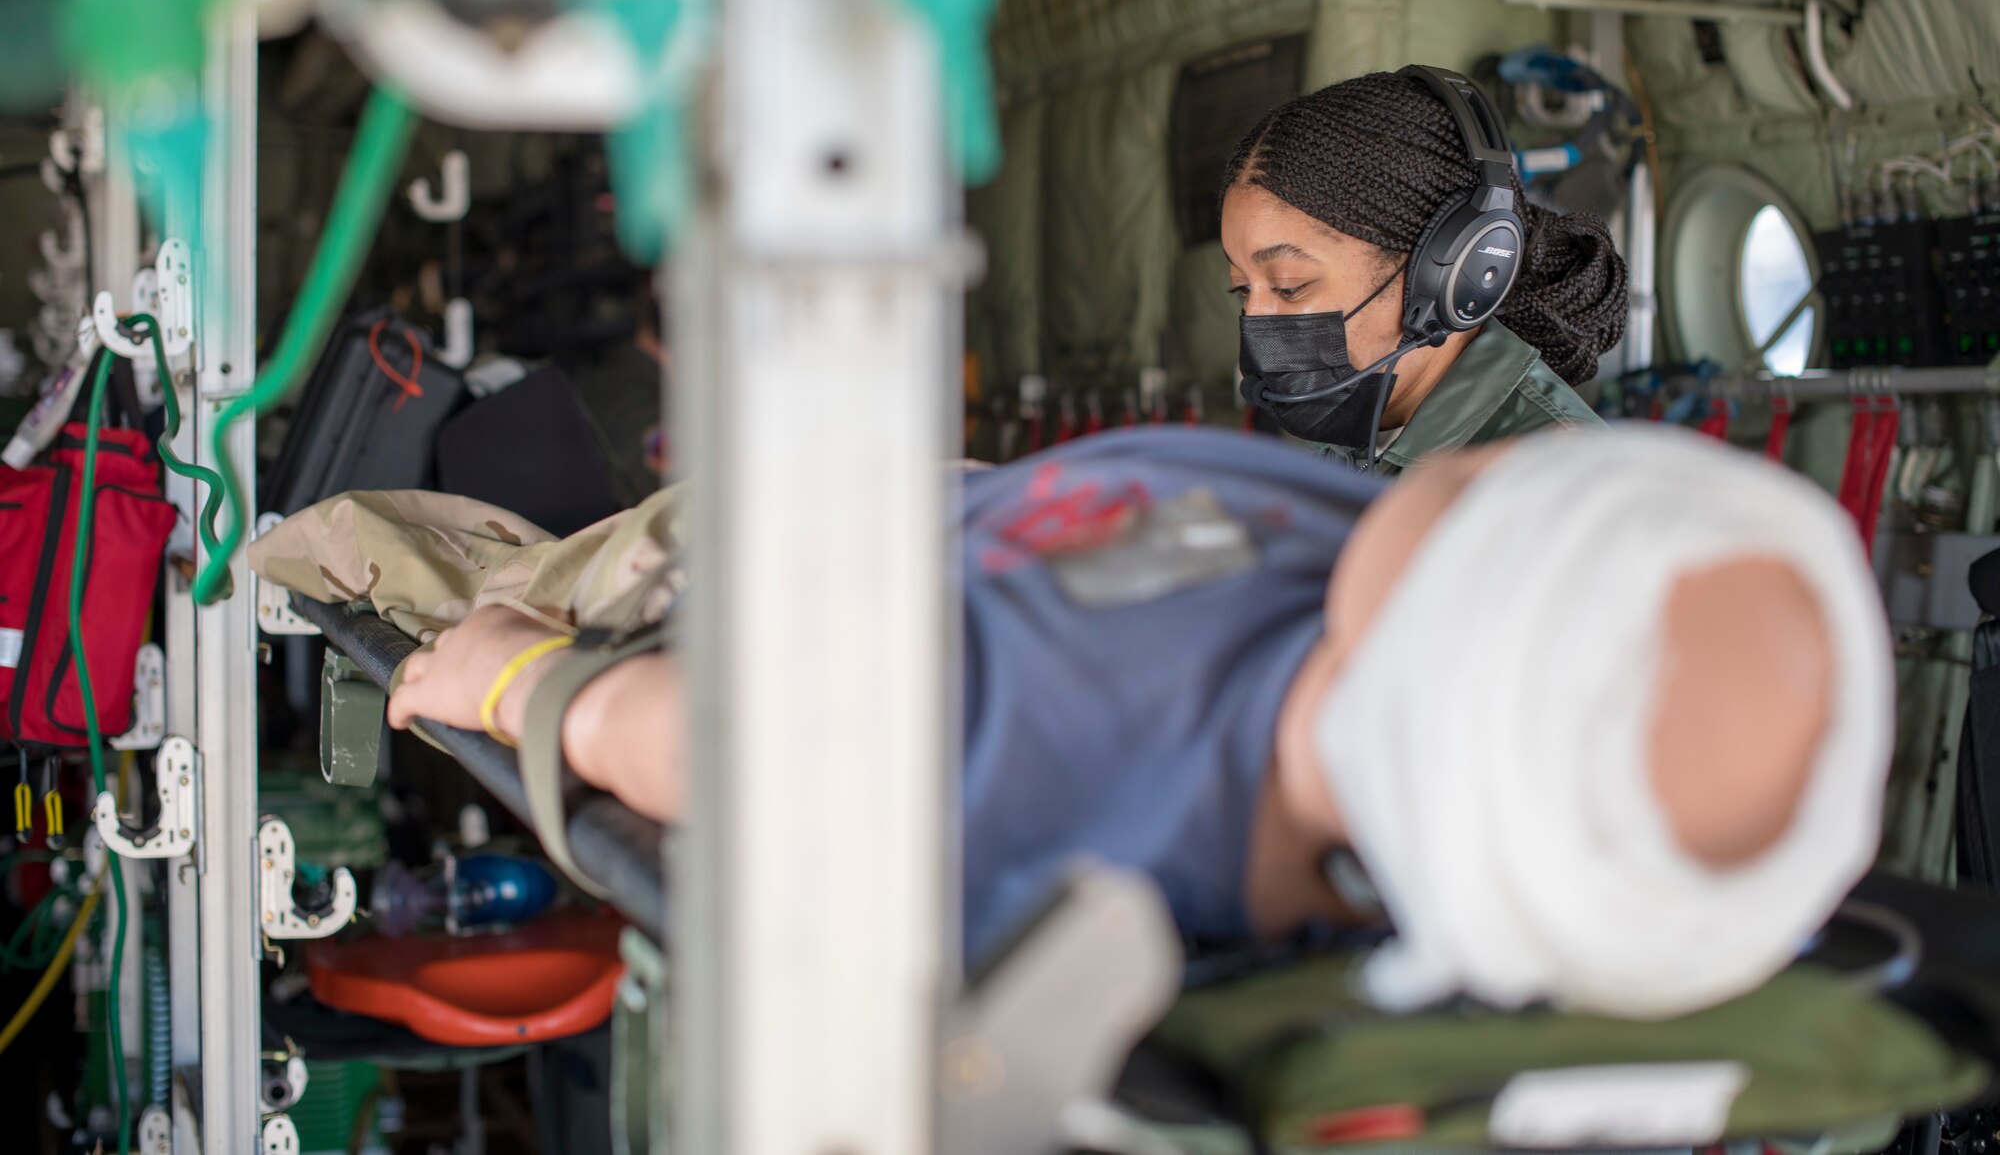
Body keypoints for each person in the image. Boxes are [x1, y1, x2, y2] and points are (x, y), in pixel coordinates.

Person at [386, 423, 1890, 1020]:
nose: (1504, 450)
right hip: (910, 497)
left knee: (387, 545)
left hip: (698, 588)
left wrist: (521, 683)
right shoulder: (1356, 574)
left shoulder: (1076, 777)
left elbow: (725, 753)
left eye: (1520, 482)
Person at [1224, 68, 1628, 474]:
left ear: (1446, 272)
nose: (1256, 321)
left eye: (1290, 286)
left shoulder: (1565, 483)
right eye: (1241, 288)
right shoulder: (1354, 434)